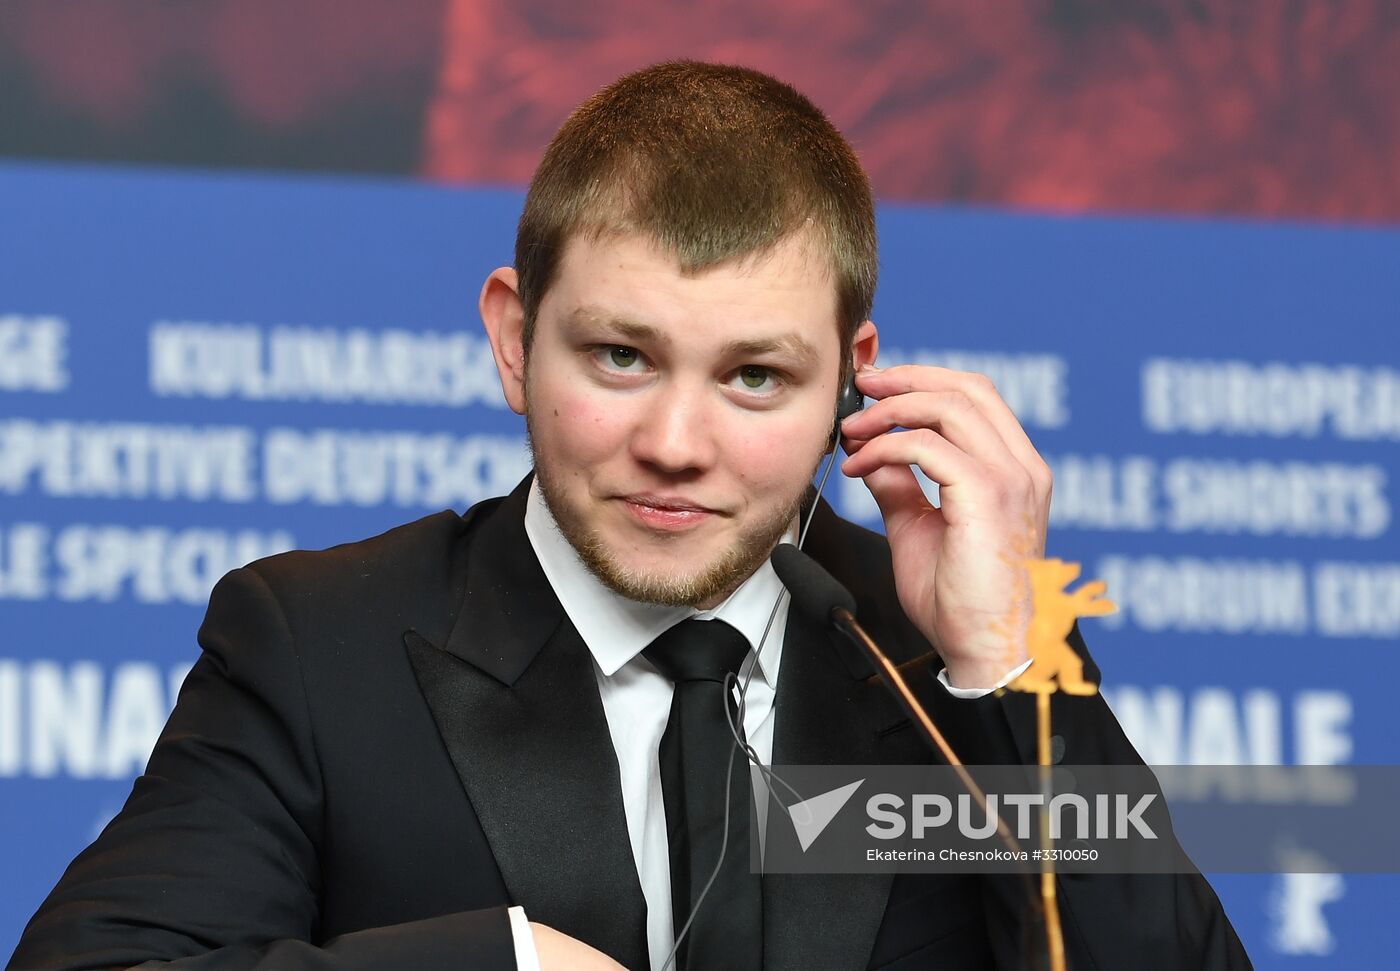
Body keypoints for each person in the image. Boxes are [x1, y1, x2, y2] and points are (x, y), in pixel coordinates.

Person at [9, 61, 1249, 971]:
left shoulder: (945, 662)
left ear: (849, 379)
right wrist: (504, 964)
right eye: (619, 356)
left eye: (753, 376)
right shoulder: (320, 643)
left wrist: (1008, 664)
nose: (673, 441)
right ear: (514, 339)